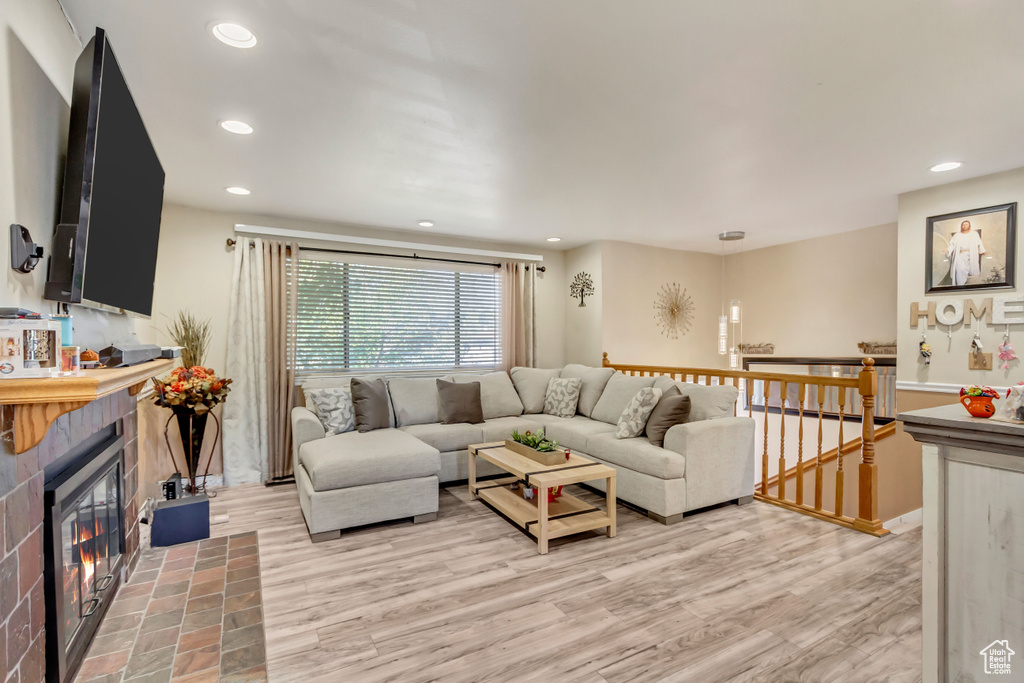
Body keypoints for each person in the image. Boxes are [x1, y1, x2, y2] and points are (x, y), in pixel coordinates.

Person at [946, 220, 986, 286]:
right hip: (960, 255)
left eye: (966, 224)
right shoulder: (957, 235)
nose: (964, 226)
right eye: (963, 225)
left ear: (970, 226)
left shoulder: (974, 234)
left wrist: (983, 250)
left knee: (971, 269)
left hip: (971, 254)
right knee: (960, 268)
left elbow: (979, 243)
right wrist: (948, 250)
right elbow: (952, 244)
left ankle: (964, 285)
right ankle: (960, 285)